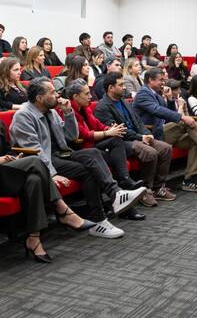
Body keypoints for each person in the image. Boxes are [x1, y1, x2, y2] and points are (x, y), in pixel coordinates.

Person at [0, 77, 94, 262]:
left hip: (6, 172)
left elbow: (7, 148)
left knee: (34, 180)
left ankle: (34, 239)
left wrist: (12, 158)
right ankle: (62, 209)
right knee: (34, 160)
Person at [10, 78, 146, 239]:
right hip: (41, 161)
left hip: (62, 154)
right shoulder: (23, 116)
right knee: (87, 170)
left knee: (93, 154)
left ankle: (115, 195)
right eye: (52, 92)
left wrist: (68, 113)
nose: (58, 95)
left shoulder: (51, 112)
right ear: (39, 98)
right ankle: (100, 219)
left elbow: (71, 136)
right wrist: (51, 174)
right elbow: (34, 151)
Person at [133, 67, 197, 193]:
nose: (163, 82)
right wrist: (182, 117)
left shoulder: (157, 94)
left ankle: (189, 180)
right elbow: (157, 111)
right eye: (161, 80)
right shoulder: (143, 93)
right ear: (150, 79)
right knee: (185, 122)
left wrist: (170, 100)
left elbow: (168, 114)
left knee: (195, 141)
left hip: (164, 131)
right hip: (151, 134)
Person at [62, 79, 146, 220]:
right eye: (87, 93)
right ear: (75, 96)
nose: (91, 96)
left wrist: (110, 129)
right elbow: (82, 135)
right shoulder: (68, 111)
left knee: (116, 142)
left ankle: (124, 185)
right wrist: (108, 133)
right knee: (114, 160)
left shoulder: (85, 108)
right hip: (81, 150)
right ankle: (125, 197)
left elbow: (98, 124)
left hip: (92, 147)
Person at [94, 72, 175, 206]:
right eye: (121, 85)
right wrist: (140, 137)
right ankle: (145, 190)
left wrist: (146, 134)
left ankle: (158, 187)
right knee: (150, 152)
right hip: (121, 142)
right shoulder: (102, 107)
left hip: (137, 137)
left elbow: (138, 122)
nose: (124, 87)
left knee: (166, 148)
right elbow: (118, 131)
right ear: (110, 88)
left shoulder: (124, 102)